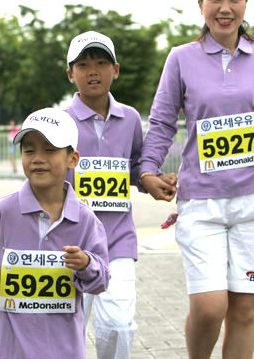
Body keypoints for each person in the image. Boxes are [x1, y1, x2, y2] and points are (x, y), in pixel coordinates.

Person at [139, 0, 254, 358]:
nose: (225, 7)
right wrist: (146, 170)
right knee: (210, 306)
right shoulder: (181, 58)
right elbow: (162, 121)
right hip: (202, 203)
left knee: (245, 311)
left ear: (246, 4)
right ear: (201, 5)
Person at [63, 30, 177, 358]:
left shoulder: (129, 119)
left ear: (116, 69)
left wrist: (152, 181)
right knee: (67, 327)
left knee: (118, 326)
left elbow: (136, 168)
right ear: (70, 73)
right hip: (69, 242)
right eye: (83, 65)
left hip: (117, 240)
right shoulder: (60, 122)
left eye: (101, 62)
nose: (93, 71)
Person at [0, 107, 110, 359]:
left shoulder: (87, 221)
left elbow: (102, 279)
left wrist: (86, 264)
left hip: (59, 345)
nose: (37, 158)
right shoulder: (1, 211)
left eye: (50, 149)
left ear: (72, 159)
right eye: (29, 150)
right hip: (4, 344)